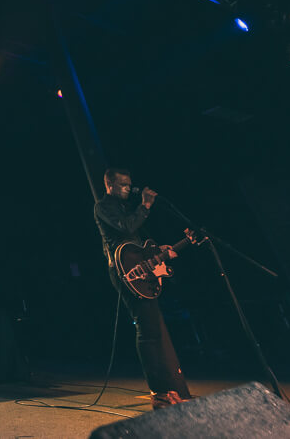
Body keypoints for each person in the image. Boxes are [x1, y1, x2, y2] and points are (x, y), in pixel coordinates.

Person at [94, 168, 192, 409]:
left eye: (129, 184)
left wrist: (159, 251)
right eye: (123, 185)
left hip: (140, 268)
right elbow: (126, 228)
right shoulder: (103, 206)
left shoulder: (128, 208)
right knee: (147, 332)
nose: (128, 188)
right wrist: (146, 205)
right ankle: (159, 392)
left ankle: (166, 389)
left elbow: (138, 243)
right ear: (109, 185)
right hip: (125, 272)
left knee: (153, 330)